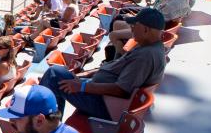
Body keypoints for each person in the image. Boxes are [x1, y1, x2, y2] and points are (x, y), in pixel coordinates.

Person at [39, 7, 167, 120]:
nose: (131, 28)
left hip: (105, 104)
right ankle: (49, 122)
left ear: (146, 29)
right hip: (101, 94)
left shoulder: (145, 56)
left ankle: (45, 126)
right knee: (58, 73)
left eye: (134, 25)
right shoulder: (150, 48)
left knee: (53, 75)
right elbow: (117, 69)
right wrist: (86, 75)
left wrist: (81, 87)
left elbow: (122, 90)